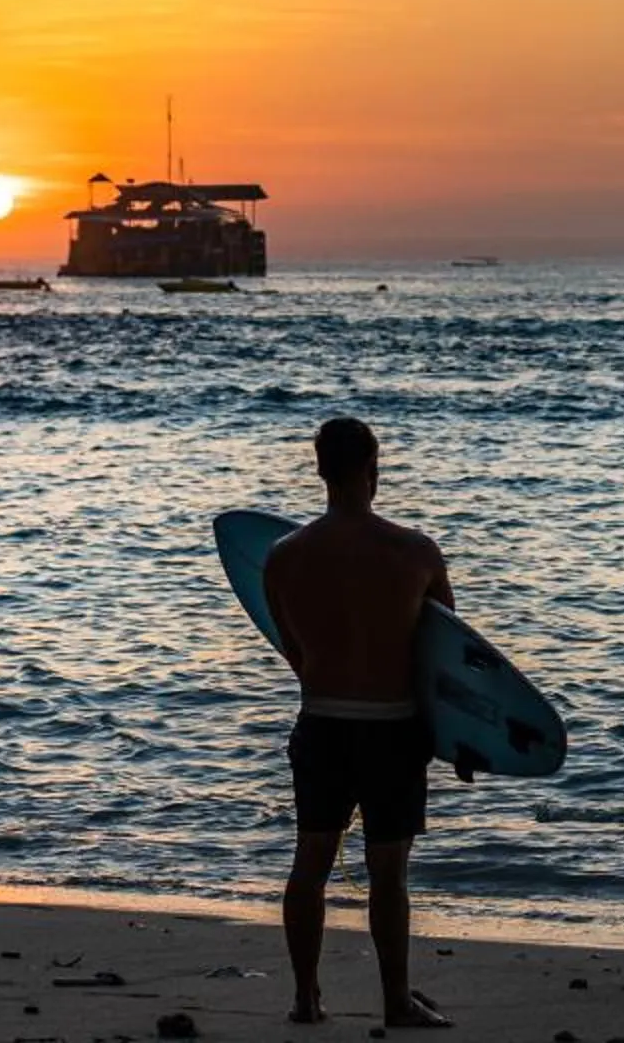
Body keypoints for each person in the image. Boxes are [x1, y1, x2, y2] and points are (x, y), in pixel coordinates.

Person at [261, 416, 455, 1029]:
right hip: (392, 730)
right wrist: (461, 739)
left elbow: (292, 651)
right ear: (375, 470)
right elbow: (445, 660)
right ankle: (396, 1001)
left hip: (320, 725)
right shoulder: (416, 552)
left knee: (309, 862)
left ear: (319, 471)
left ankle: (304, 998)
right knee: (389, 873)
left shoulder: (282, 557)